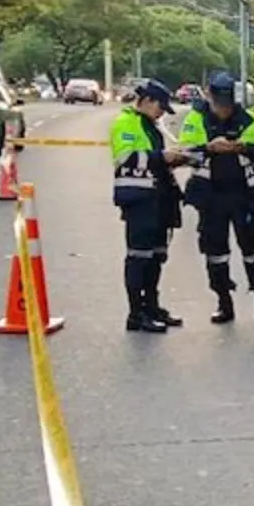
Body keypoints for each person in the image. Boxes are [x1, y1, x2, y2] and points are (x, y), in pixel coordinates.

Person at [178, 72, 254, 324]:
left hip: (247, 195)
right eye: (219, 104)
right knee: (215, 252)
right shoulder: (196, 118)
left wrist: (240, 147)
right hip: (212, 196)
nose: (223, 109)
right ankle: (224, 302)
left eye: (227, 104)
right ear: (209, 96)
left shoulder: (247, 119)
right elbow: (183, 153)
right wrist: (209, 148)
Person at [110, 79, 187, 333]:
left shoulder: (150, 126)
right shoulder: (127, 123)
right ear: (146, 101)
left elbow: (154, 161)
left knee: (156, 256)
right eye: (160, 107)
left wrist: (174, 160)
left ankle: (152, 306)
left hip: (159, 199)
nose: (162, 113)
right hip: (139, 200)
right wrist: (161, 157)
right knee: (138, 257)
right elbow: (126, 158)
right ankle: (136, 313)